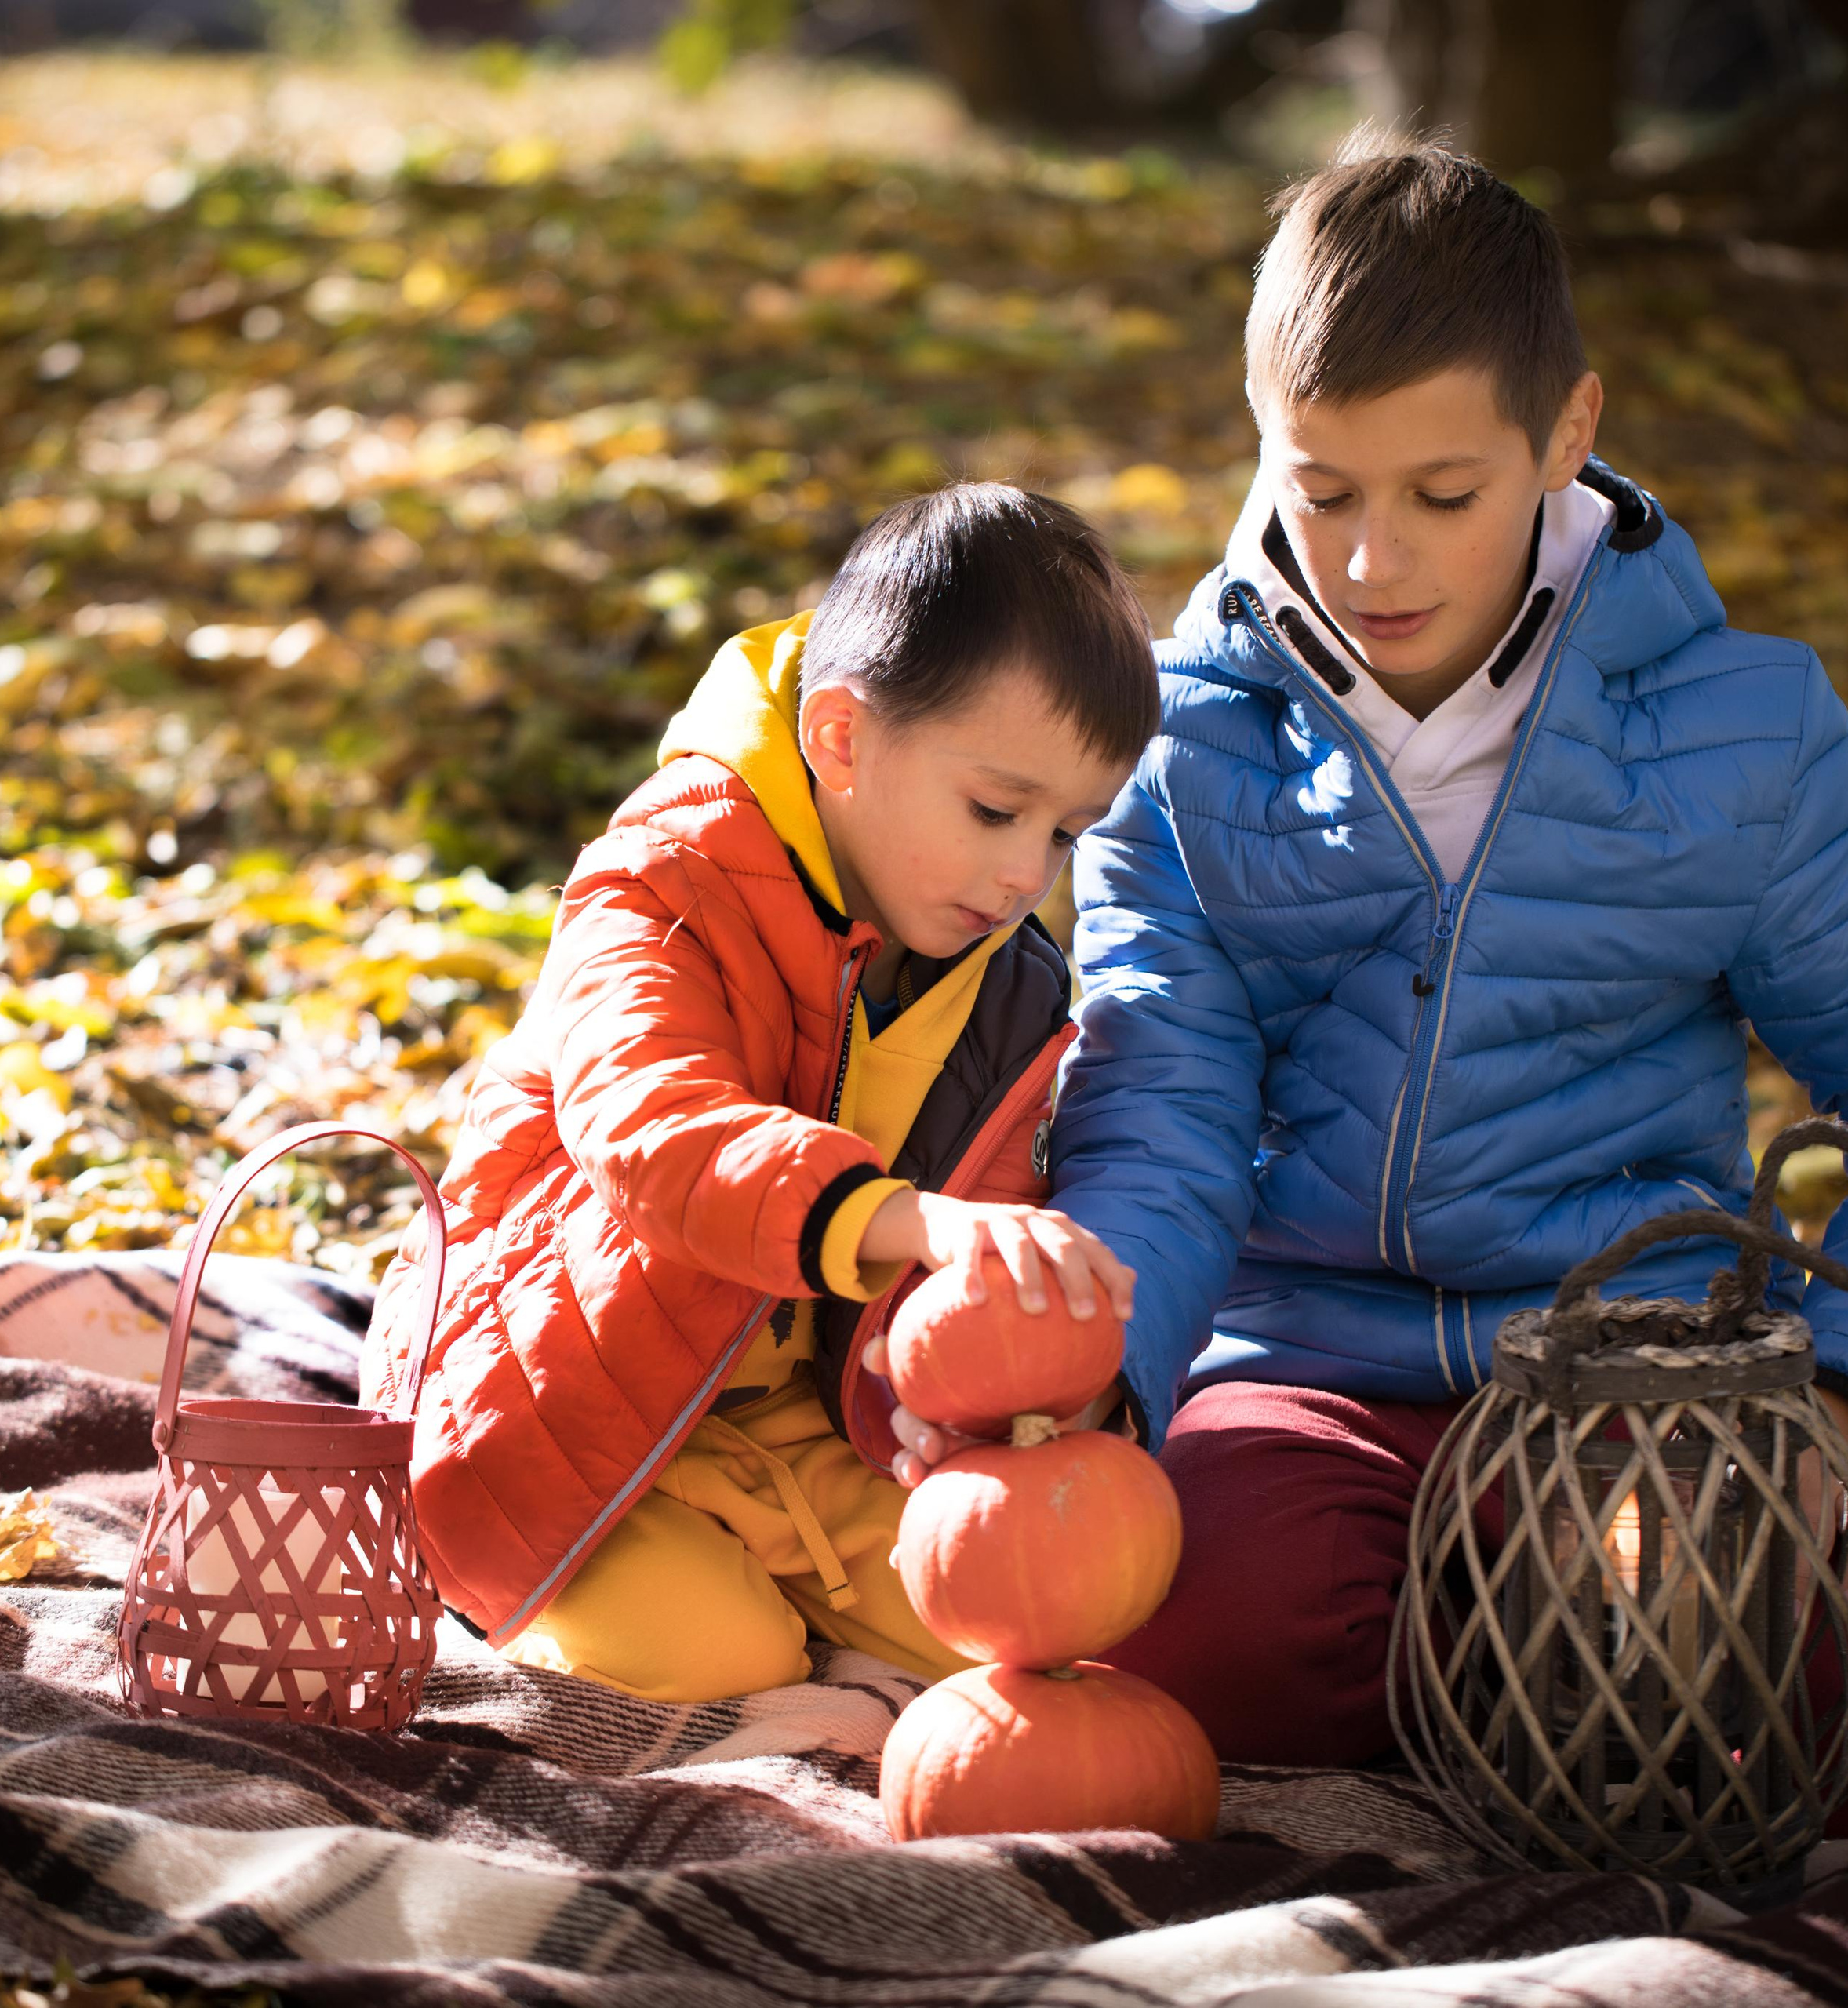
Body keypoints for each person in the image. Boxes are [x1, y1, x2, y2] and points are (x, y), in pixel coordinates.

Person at [889, 130, 1848, 1766]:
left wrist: (1818, 1368)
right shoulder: (1178, 743)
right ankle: (1474, 1671)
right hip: (1304, 1353)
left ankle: (1528, 1655)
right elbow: (1163, 1106)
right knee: (1198, 1640)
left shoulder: (1741, 735)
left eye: (1440, 494)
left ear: (1567, 432)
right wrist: (1103, 1378)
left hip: (1625, 1349)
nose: (1367, 559)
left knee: (1740, 1661)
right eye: (1316, 488)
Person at [361, 483, 1152, 1701]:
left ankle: (794, 1615)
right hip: (558, 1399)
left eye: (1064, 834)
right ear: (839, 737)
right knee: (717, 1658)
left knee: (1011, 1634)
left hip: (788, 1424)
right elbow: (657, 1133)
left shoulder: (1004, 994)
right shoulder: (663, 879)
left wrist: (958, 1390)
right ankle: (525, 1583)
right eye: (996, 809)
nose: (1020, 874)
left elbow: (950, 1261)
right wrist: (906, 1220)